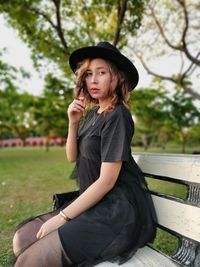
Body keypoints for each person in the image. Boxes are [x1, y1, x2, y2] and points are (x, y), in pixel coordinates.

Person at [12, 41, 156, 267]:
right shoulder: (93, 115)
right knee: (23, 239)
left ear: (117, 78)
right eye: (89, 74)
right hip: (91, 204)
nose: (94, 80)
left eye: (102, 73)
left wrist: (61, 218)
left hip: (113, 213)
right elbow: (72, 157)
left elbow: (107, 182)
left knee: (29, 260)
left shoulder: (117, 116)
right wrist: (72, 123)